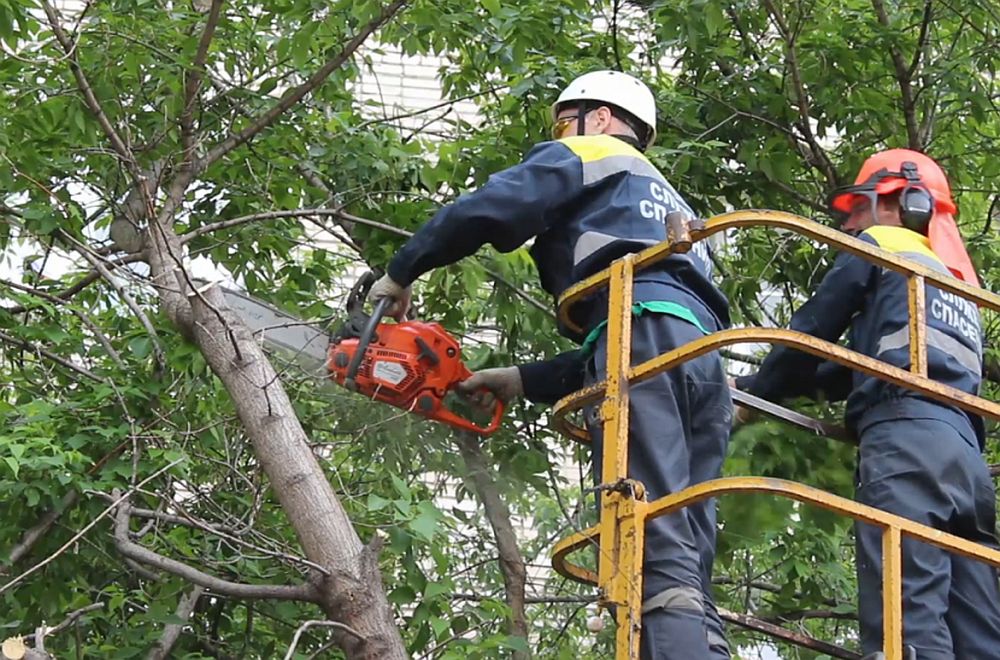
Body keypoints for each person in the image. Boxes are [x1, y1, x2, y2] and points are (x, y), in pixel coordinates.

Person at [368, 70, 733, 659]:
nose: (561, 132)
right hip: (704, 366)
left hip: (642, 341)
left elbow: (487, 210)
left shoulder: (594, 152)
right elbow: (639, 328)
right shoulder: (671, 206)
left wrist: (402, 269)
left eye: (566, 119)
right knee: (686, 543)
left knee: (650, 537)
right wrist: (520, 380)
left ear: (603, 117)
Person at [732, 149, 1000, 660]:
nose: (850, 223)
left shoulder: (883, 245)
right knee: (979, 628)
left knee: (908, 622)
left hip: (906, 443)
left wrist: (751, 396)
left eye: (859, 206)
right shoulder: (957, 285)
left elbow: (811, 334)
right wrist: (760, 383)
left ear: (905, 201)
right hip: (966, 462)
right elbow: (851, 366)